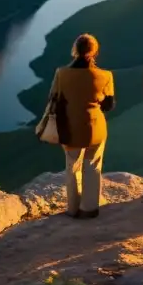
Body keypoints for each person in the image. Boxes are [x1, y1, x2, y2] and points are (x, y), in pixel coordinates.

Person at [46, 33, 115, 218]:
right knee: (93, 165)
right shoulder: (105, 75)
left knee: (73, 166)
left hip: (70, 127)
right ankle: (89, 209)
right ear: (95, 52)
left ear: (75, 50)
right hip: (96, 127)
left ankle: (73, 208)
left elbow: (53, 99)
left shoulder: (61, 74)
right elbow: (109, 105)